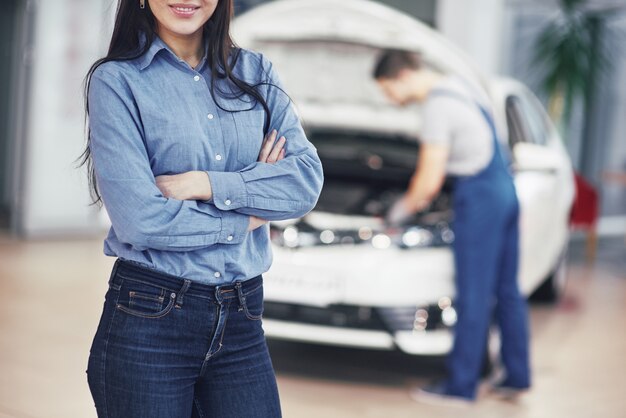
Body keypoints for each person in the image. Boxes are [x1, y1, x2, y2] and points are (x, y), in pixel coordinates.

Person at [80, 1, 323, 417]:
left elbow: (303, 183)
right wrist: (249, 210)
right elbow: (141, 220)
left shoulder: (256, 73)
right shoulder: (117, 81)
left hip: (242, 317)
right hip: (150, 319)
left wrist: (205, 184)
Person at [372, 49, 530, 405]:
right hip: (504, 189)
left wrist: (395, 215)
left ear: (402, 77)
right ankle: (516, 376)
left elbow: (428, 183)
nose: (389, 99)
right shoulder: (463, 86)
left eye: (386, 90)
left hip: (479, 196)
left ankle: (461, 385)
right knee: (507, 289)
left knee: (473, 291)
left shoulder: (436, 107)